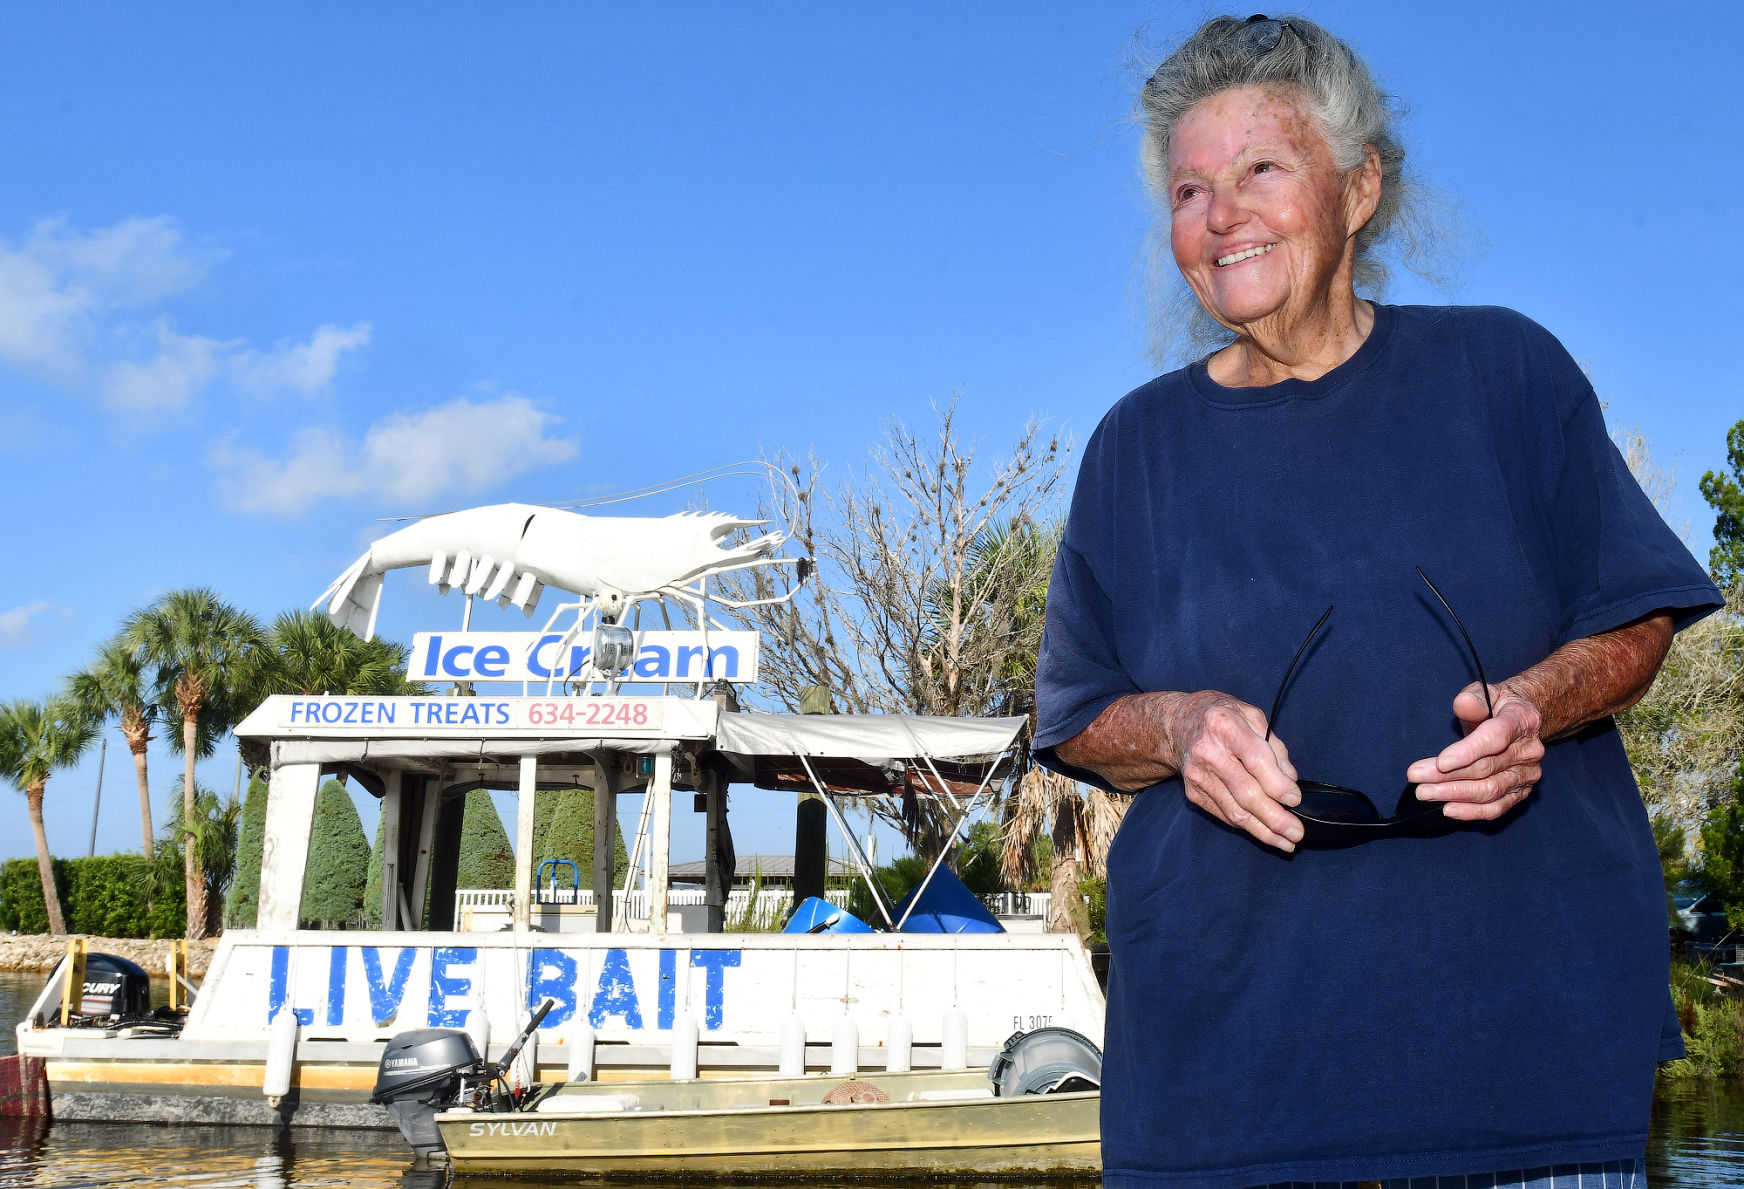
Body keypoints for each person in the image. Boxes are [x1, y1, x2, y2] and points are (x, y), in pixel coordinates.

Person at [1033, 14, 1724, 1189]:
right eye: (1191, 187)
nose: (1221, 214)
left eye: (1261, 169)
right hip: (1222, 1092)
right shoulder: (1131, 448)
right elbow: (1078, 715)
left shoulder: (1508, 372)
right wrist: (1180, 726)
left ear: (1359, 188)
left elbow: (1635, 616)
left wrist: (1533, 705)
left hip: (1520, 1080)